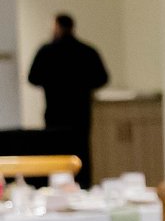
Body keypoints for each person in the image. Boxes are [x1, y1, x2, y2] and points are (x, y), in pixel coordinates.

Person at [28, 13, 108, 185]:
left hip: (55, 111)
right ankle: (83, 186)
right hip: (80, 112)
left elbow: (32, 78)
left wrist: (52, 82)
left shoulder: (47, 51)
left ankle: (58, 186)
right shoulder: (87, 51)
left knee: (56, 152)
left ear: (56, 27)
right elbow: (102, 78)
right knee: (81, 153)